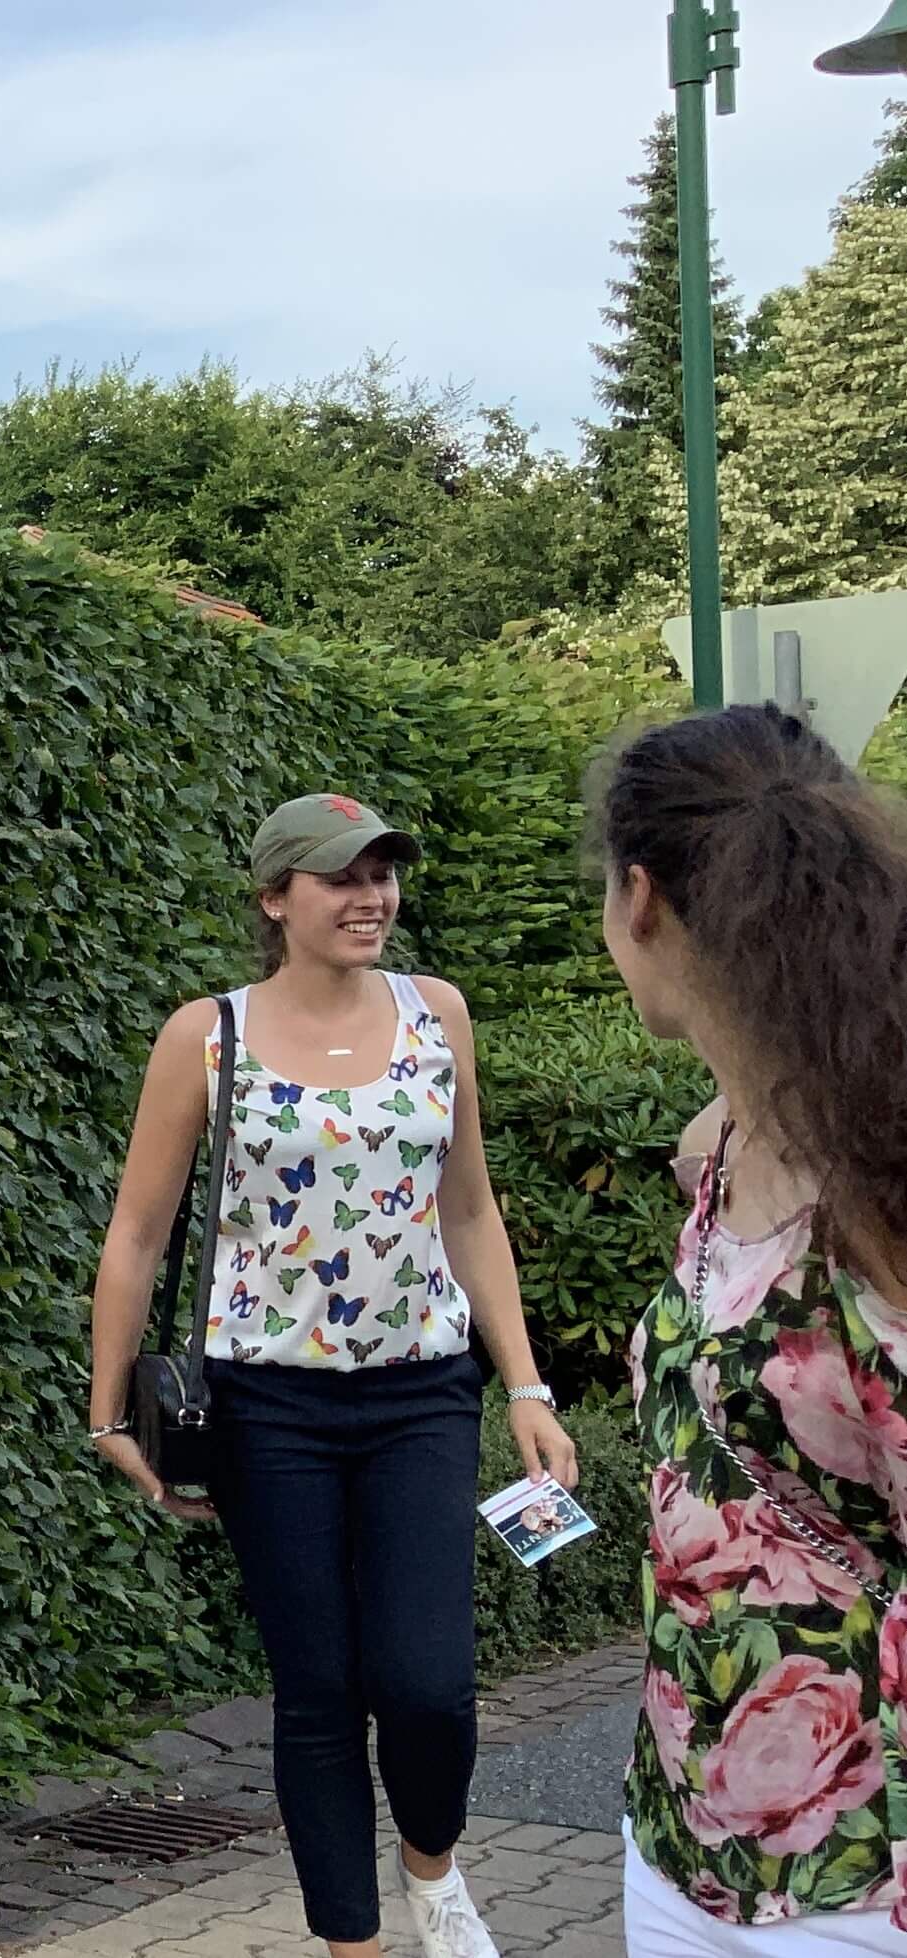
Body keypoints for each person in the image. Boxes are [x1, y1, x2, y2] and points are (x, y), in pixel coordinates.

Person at [88, 792, 577, 1958]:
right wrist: (108, 1408)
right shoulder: (208, 1033)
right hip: (267, 1404)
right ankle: (348, 1942)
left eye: (383, 873)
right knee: (317, 1690)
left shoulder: (435, 1012)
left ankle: (432, 1870)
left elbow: (468, 1204)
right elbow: (137, 1231)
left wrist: (523, 1386)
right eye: (339, 877)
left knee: (425, 1685)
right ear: (274, 899)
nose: (371, 896)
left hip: (420, 1388)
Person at [599, 706, 907, 1953]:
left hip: (864, 1878)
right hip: (685, 1837)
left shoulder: (875, 1185)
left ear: (639, 901)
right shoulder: (726, 1139)